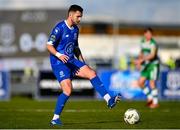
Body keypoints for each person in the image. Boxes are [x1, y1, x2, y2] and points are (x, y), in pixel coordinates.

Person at [46, 4, 121, 126]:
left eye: (81, 17)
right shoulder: (59, 28)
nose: (80, 19)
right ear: (70, 15)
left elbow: (76, 47)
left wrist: (82, 62)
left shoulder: (75, 29)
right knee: (68, 90)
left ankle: (109, 100)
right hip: (59, 63)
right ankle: (55, 119)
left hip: (71, 60)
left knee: (92, 73)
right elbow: (49, 45)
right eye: (78, 16)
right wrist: (59, 55)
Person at [135, 28, 159, 108]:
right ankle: (150, 98)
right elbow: (141, 52)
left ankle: (155, 103)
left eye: (150, 34)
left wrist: (141, 60)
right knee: (140, 82)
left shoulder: (153, 43)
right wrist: (139, 61)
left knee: (152, 83)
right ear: (145, 34)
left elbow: (152, 55)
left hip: (153, 65)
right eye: (148, 34)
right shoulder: (142, 41)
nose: (149, 35)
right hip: (145, 65)